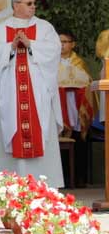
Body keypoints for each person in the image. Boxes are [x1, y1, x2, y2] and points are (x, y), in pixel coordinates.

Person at [0, 0, 63, 187]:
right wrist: (10, 47)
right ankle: (9, 185)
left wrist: (31, 44)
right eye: (29, 3)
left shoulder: (45, 28)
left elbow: (54, 52)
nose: (33, 7)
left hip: (38, 92)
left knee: (41, 129)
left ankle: (44, 185)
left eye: (34, 3)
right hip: (10, 94)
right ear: (16, 5)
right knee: (11, 127)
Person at [58, 30, 94, 187]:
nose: (61, 45)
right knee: (61, 142)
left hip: (76, 105)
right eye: (59, 42)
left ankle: (80, 178)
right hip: (59, 105)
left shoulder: (79, 62)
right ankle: (64, 178)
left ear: (73, 44)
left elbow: (88, 81)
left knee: (79, 140)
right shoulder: (51, 61)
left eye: (65, 42)